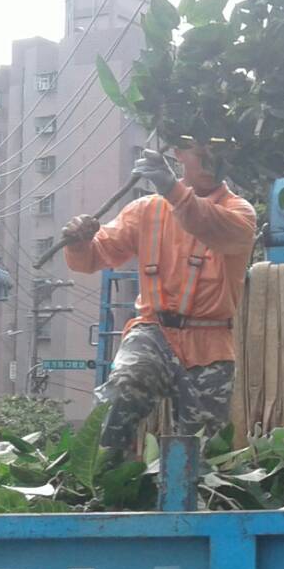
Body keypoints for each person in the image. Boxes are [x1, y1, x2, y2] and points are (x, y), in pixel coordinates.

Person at [61, 141, 256, 457]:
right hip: (154, 332)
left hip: (210, 340)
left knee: (204, 450)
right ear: (178, 154)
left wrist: (172, 190)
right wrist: (78, 243)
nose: (212, 159)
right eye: (201, 150)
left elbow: (206, 223)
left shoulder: (239, 213)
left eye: (219, 152)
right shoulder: (145, 212)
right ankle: (97, 483)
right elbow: (92, 259)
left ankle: (193, 499)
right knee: (123, 389)